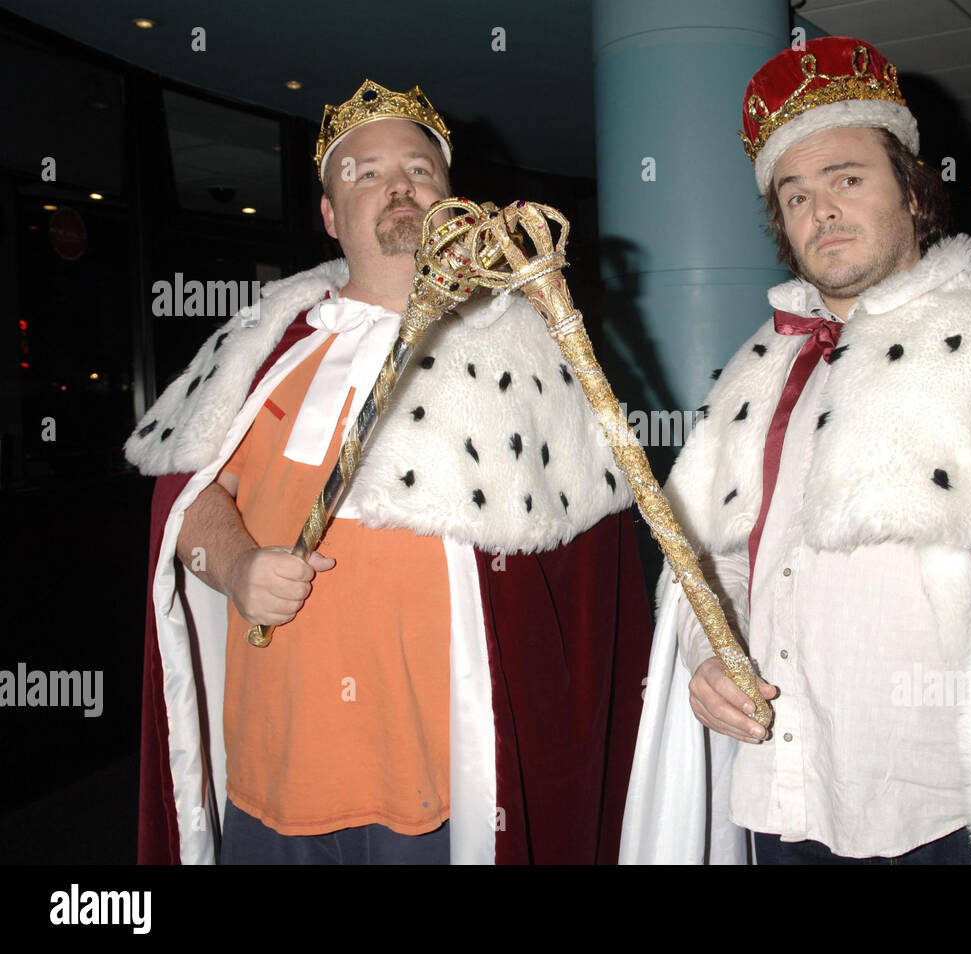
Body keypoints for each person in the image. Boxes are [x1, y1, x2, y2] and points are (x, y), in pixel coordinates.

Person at [620, 37, 971, 864]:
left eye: (847, 180)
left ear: (914, 189)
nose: (821, 210)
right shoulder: (762, 364)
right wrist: (710, 648)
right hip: (782, 790)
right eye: (795, 196)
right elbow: (715, 561)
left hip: (948, 809)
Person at [126, 80, 653, 864]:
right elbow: (197, 501)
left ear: (453, 198)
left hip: (447, 790)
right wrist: (235, 566)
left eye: (418, 168)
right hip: (272, 775)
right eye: (363, 172)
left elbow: (576, 595)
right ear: (331, 215)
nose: (398, 185)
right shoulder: (265, 351)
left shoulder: (528, 350)